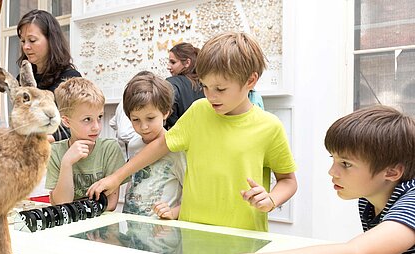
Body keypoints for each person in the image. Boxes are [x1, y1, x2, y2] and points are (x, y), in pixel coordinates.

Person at [88, 32, 297, 232]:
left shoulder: (269, 126)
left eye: (220, 89)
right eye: (205, 86)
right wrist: (116, 178)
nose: (211, 96)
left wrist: (270, 200)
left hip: (244, 236)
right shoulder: (198, 110)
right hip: (191, 233)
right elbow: (160, 146)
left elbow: (288, 181)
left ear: (250, 81)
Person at [231, 105, 415, 254]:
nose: (332, 172)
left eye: (346, 164)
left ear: (391, 172)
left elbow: (357, 251)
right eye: (333, 159)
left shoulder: (412, 201)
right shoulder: (369, 200)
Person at [46, 77, 126, 211]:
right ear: (66, 121)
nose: (96, 127)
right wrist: (66, 163)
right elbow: (61, 205)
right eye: (87, 119)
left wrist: (74, 208)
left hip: (103, 227)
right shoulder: (55, 151)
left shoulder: (110, 149)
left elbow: (111, 204)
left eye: (99, 117)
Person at [120, 71, 185, 220]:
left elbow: (192, 195)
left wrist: (173, 213)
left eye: (150, 118)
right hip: (133, 230)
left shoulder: (176, 148)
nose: (143, 127)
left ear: (165, 112)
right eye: (135, 119)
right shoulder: (134, 144)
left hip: (162, 234)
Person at [17, 9, 82, 142]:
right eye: (23, 41)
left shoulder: (70, 78)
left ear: (51, 40)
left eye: (32, 40)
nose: (26, 47)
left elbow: (78, 125)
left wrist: (46, 139)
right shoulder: (23, 79)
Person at [164, 42, 205, 130]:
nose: (168, 66)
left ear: (187, 62)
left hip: (179, 137)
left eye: (173, 62)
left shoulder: (171, 83)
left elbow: (166, 115)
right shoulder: (206, 83)